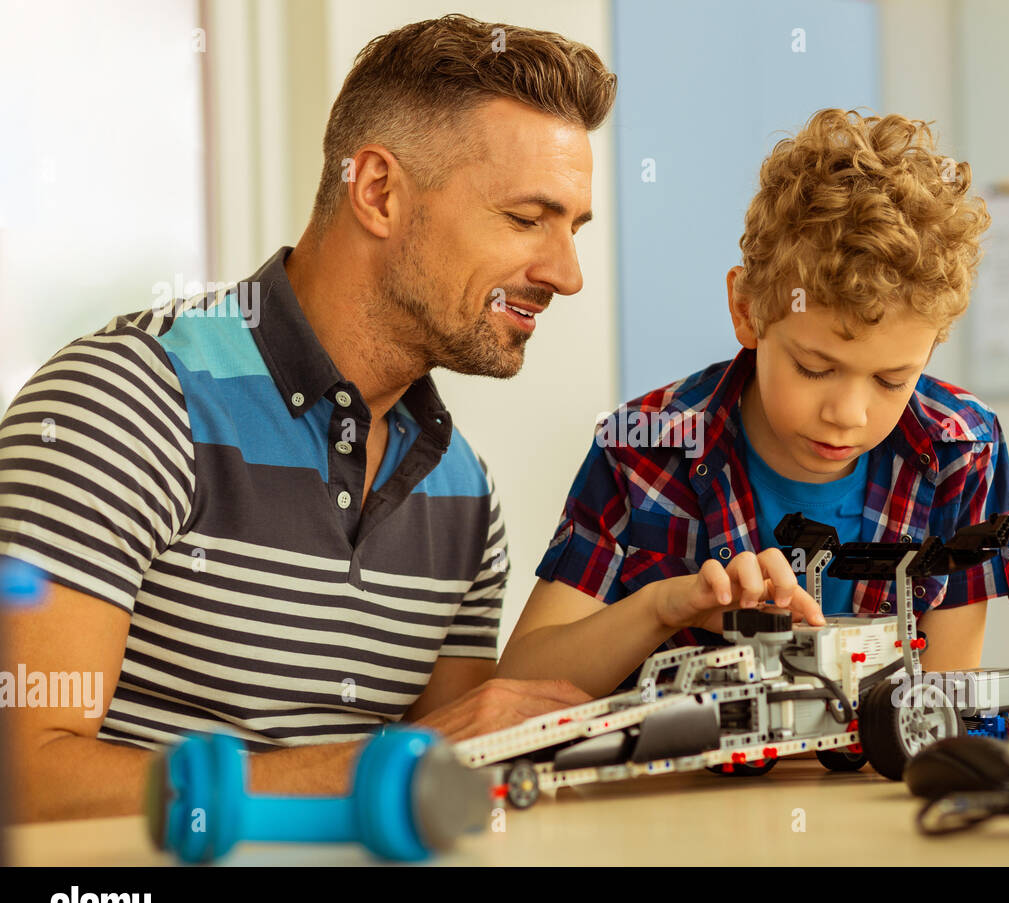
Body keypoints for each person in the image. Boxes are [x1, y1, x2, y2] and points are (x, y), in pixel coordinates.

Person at [0, 14, 616, 821]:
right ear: (378, 192)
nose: (566, 274)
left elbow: (446, 797)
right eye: (528, 217)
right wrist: (386, 762)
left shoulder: (465, 495)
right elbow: (24, 780)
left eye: (575, 228)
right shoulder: (120, 405)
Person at [498, 109, 1009, 697]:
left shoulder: (963, 449)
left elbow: (939, 709)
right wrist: (662, 609)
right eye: (814, 367)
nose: (848, 414)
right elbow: (519, 688)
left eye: (890, 380)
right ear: (747, 310)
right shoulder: (642, 445)